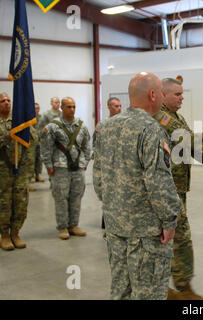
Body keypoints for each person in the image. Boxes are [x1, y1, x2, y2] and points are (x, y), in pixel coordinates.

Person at [93, 72, 182, 300]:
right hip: (145, 233)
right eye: (162, 92)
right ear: (153, 95)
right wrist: (170, 220)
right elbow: (158, 182)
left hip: (115, 226)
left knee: (121, 290)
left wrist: (115, 208)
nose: (163, 97)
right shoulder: (151, 129)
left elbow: (99, 179)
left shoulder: (105, 127)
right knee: (148, 293)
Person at [152, 78, 203, 300]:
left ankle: (175, 286)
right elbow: (192, 141)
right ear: (164, 95)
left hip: (177, 186)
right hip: (167, 188)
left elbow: (188, 148)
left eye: (182, 93)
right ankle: (180, 288)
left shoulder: (176, 117)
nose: (182, 97)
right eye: (177, 94)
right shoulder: (163, 118)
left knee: (174, 236)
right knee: (177, 236)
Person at [40, 97, 91, 240]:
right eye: (68, 107)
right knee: (61, 198)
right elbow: (46, 148)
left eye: (74, 106)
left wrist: (85, 161)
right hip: (60, 168)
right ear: (62, 108)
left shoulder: (81, 126)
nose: (72, 109)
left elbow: (87, 145)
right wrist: (49, 166)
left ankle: (73, 225)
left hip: (78, 168)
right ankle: (62, 227)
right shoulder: (53, 127)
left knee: (76, 197)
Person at [0, 92, 34, 250]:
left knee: (21, 202)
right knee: (4, 203)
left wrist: (25, 127)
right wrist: (9, 136)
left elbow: (34, 139)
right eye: (2, 101)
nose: (6, 103)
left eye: (8, 100)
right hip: (3, 171)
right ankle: (5, 235)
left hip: (20, 168)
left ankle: (15, 233)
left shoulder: (19, 121)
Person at [92, 97, 122, 231]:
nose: (119, 108)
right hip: (107, 167)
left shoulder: (125, 124)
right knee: (108, 196)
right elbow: (96, 146)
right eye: (116, 106)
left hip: (121, 167)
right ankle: (108, 225)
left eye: (120, 106)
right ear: (109, 107)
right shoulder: (102, 126)